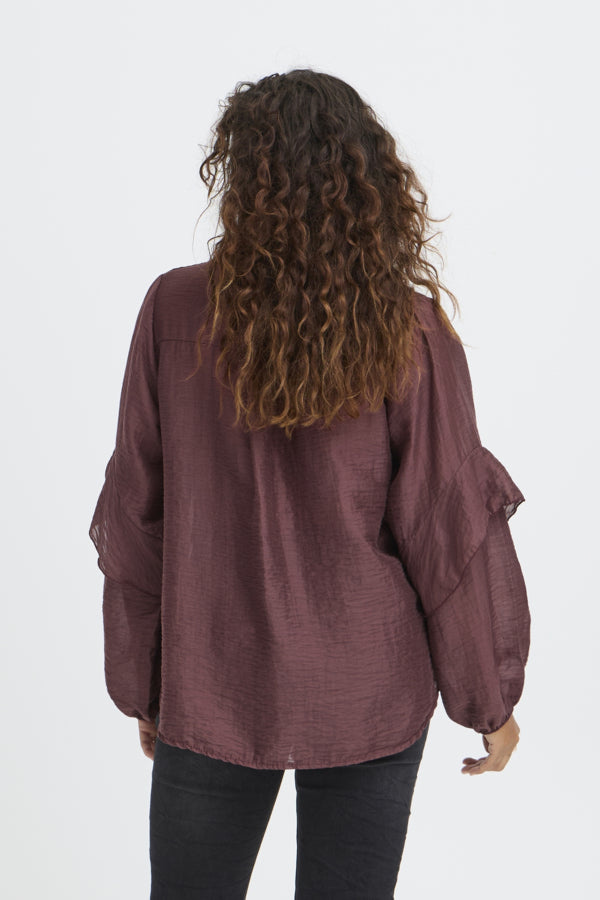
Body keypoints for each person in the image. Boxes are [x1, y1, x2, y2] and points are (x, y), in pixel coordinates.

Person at [89, 68, 531, 899]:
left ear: (241, 177)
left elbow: (136, 514)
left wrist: (144, 680)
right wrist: (490, 700)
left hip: (211, 679)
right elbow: (447, 528)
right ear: (366, 180)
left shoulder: (175, 310)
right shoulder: (409, 329)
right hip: (368, 683)